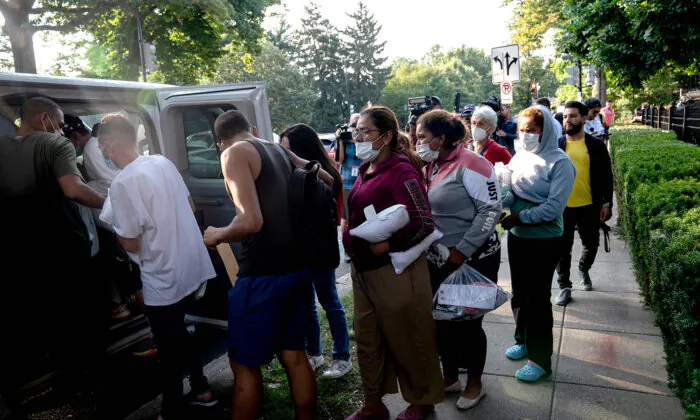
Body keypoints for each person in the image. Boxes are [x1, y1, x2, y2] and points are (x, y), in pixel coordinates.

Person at [97, 114, 218, 420]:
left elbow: (129, 243)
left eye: (101, 147)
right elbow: (189, 207)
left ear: (110, 144)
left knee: (167, 344)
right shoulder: (161, 162)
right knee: (177, 330)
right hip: (189, 263)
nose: (102, 154)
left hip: (162, 274)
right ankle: (202, 389)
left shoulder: (123, 183)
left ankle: (172, 407)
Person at [202, 110, 317, 420]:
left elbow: (251, 221)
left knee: (244, 364)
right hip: (296, 269)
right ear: (251, 129)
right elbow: (326, 178)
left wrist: (217, 235)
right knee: (294, 355)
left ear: (219, 143)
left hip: (262, 275)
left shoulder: (233, 153)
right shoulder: (279, 148)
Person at [0, 97, 105, 418]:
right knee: (73, 321)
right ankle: (77, 390)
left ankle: (17, 390)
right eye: (59, 124)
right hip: (62, 251)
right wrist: (111, 203)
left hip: (17, 251)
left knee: (28, 318)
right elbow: (73, 190)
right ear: (45, 118)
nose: (61, 130)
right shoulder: (53, 145)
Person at [342, 106, 444, 420]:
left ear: (386, 136)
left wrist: (390, 245)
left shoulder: (401, 170)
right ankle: (373, 403)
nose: (358, 137)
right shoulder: (365, 169)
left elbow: (423, 221)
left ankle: (422, 401)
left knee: (411, 337)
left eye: (365, 132)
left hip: (395, 272)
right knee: (368, 340)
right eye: (356, 131)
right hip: (364, 273)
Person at [416, 110, 502, 410]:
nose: (418, 142)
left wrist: (462, 249)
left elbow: (491, 211)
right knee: (442, 319)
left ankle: (475, 383)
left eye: (423, 137)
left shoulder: (474, 164)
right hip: (439, 256)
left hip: (473, 257)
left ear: (440, 139)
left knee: (467, 322)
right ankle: (450, 376)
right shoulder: (432, 165)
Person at [499, 105, 576, 383]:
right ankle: (523, 338)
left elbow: (554, 208)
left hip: (544, 240)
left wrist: (519, 216)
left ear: (546, 133)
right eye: (522, 130)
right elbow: (512, 191)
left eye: (531, 130)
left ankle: (540, 359)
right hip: (518, 236)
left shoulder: (560, 163)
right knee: (519, 294)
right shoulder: (520, 156)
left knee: (538, 299)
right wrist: (501, 205)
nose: (525, 135)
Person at [279, 124, 353, 379]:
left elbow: (330, 188)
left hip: (321, 250)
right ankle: (315, 354)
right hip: (299, 251)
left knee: (330, 303)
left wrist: (298, 162)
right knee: (307, 305)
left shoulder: (324, 172)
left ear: (302, 149)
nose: (285, 155)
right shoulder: (291, 174)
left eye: (289, 150)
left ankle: (342, 357)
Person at [554, 101, 613, 305]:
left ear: (583, 117)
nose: (567, 120)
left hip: (590, 206)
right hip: (562, 207)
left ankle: (583, 268)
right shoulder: (558, 145)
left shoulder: (596, 145)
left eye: (572, 116)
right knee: (562, 248)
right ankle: (564, 286)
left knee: (592, 244)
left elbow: (607, 176)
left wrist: (607, 203)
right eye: (565, 117)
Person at [337, 113, 363, 258]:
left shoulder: (362, 139)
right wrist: (341, 141)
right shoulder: (344, 139)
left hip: (361, 179)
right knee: (346, 216)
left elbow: (364, 155)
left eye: (357, 124)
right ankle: (347, 248)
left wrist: (356, 141)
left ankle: (358, 245)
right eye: (353, 124)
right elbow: (339, 160)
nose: (354, 127)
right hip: (347, 180)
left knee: (359, 214)